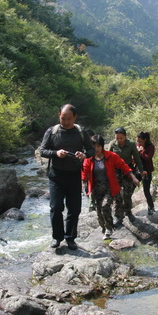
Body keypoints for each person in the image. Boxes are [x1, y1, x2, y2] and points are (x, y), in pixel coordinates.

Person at [38, 104, 94, 250]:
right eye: (63, 118)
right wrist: (56, 153)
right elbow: (42, 151)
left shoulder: (81, 132)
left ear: (75, 117)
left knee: (74, 209)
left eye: (69, 119)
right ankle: (57, 237)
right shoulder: (52, 132)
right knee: (56, 207)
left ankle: (70, 238)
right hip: (56, 175)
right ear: (59, 116)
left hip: (74, 175)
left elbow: (91, 150)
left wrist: (84, 155)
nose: (66, 122)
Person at [82, 135, 139, 239]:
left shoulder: (111, 156)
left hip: (109, 186)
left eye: (98, 146)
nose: (96, 149)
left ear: (102, 146)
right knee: (99, 212)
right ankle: (104, 228)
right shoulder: (88, 159)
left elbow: (123, 166)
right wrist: (82, 184)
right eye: (94, 146)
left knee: (105, 206)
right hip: (96, 188)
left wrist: (133, 177)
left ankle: (109, 228)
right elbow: (84, 174)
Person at [106, 127, 143, 224]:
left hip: (128, 171)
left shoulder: (131, 144)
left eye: (121, 138)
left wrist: (141, 170)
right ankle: (118, 216)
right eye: (117, 138)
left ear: (125, 136)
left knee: (127, 193)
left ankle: (128, 212)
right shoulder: (112, 144)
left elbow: (137, 158)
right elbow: (107, 158)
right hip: (116, 171)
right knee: (117, 194)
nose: (119, 140)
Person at [136, 131, 155, 215]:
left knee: (146, 190)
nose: (139, 143)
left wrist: (141, 152)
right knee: (130, 187)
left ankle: (151, 207)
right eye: (137, 141)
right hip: (138, 170)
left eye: (140, 141)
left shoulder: (150, 147)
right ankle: (127, 208)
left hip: (147, 170)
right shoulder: (137, 146)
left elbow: (148, 158)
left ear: (145, 140)